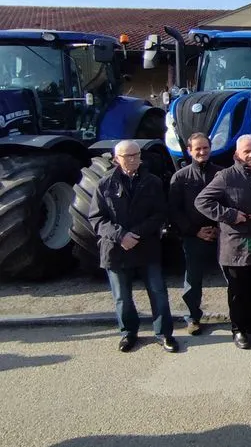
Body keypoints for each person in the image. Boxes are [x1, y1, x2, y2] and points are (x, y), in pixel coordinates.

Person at [88, 140, 178, 353]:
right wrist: (121, 236)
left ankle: (164, 334)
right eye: (127, 156)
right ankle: (128, 333)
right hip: (116, 250)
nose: (133, 159)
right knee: (122, 296)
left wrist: (136, 233)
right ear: (116, 159)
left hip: (146, 246)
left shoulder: (152, 182)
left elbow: (160, 214)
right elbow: (97, 218)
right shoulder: (104, 184)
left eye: (136, 155)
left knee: (158, 292)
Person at [195, 134, 251, 350]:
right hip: (236, 245)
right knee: (238, 291)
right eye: (247, 151)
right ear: (237, 154)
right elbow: (202, 201)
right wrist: (230, 215)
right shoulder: (226, 177)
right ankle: (238, 328)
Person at [168, 132, 222, 336]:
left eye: (205, 148)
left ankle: (239, 315)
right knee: (192, 280)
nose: (202, 152)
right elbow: (174, 210)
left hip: (220, 234)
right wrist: (195, 231)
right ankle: (193, 318)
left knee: (233, 278)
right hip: (193, 236)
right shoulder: (180, 178)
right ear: (189, 150)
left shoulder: (221, 174)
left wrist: (219, 227)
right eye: (197, 149)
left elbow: (228, 202)